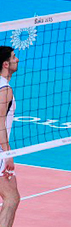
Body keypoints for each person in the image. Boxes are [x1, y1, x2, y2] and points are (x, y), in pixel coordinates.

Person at [0, 46, 20, 227]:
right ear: (5, 64)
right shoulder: (5, 89)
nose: (17, 60)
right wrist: (8, 153)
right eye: (14, 57)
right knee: (11, 198)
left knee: (13, 197)